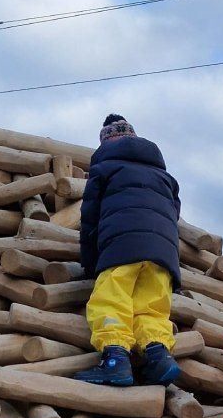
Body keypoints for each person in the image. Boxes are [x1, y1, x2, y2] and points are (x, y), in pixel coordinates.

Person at [75, 114, 182, 388]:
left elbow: (91, 219)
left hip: (121, 247)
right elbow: (174, 217)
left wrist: (91, 263)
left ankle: (115, 361)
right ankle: (158, 357)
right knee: (152, 309)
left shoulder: (105, 169)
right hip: (162, 255)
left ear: (105, 144)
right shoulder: (165, 177)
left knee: (111, 300)